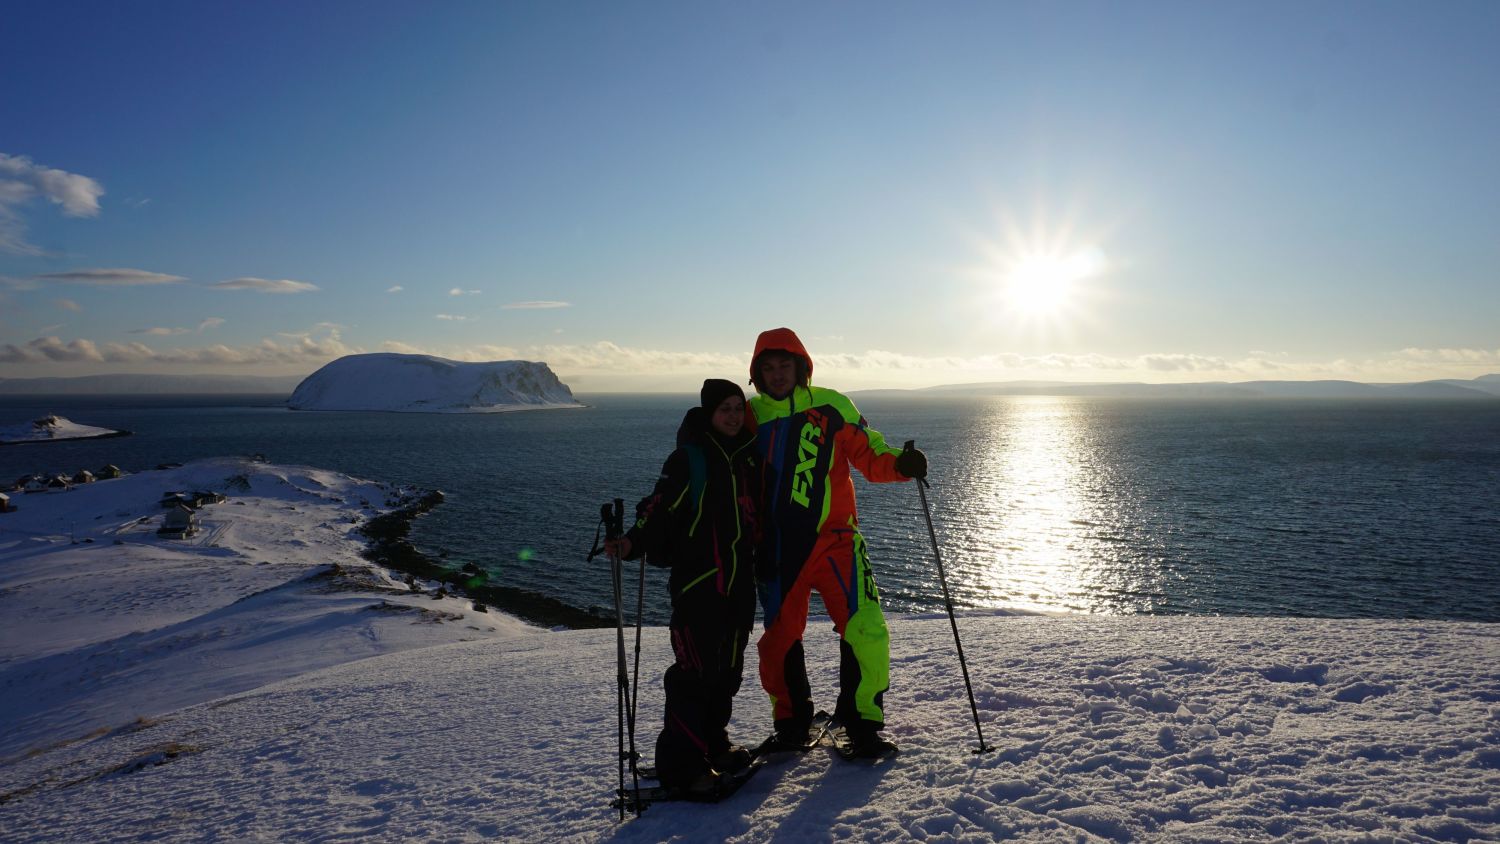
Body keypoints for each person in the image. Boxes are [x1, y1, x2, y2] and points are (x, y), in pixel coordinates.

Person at [746, 327, 927, 758]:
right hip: (778, 549)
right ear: (756, 373)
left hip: (838, 541)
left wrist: (902, 465)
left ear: (801, 366)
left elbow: (870, 454)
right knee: (779, 640)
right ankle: (791, 723)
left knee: (866, 630)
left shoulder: (833, 405)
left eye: (783, 365)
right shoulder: (749, 416)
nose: (776, 374)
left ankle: (862, 723)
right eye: (767, 368)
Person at [605, 379, 761, 793]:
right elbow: (659, 507)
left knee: (727, 673)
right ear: (709, 413)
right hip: (699, 587)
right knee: (694, 675)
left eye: (738, 409)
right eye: (724, 409)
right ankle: (682, 767)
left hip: (739, 588)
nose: (732, 416)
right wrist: (630, 542)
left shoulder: (745, 458)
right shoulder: (690, 459)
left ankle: (712, 744)